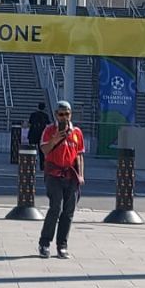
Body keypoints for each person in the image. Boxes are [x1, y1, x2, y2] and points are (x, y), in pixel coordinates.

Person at [38, 100, 84, 260]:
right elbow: (44, 150)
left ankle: (62, 246)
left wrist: (81, 175)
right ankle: (44, 243)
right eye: (61, 114)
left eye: (67, 114)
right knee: (55, 207)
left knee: (68, 211)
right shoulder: (50, 130)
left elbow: (79, 155)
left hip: (70, 175)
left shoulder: (77, 132)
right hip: (54, 173)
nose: (64, 117)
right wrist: (55, 139)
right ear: (56, 115)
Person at [28, 102, 50, 171]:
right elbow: (48, 124)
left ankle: (31, 165)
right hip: (41, 136)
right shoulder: (45, 116)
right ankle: (42, 166)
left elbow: (30, 123)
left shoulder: (33, 115)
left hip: (33, 134)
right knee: (41, 152)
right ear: (44, 108)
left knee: (32, 150)